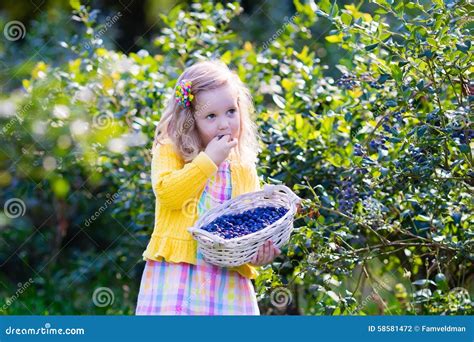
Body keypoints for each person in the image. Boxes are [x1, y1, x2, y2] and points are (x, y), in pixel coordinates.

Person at [135, 60, 281, 315]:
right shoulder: (171, 149)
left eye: (231, 112)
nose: (224, 124)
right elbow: (169, 195)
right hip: (177, 280)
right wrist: (209, 160)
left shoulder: (242, 166)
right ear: (189, 120)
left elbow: (247, 227)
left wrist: (257, 254)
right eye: (211, 116)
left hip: (228, 285)